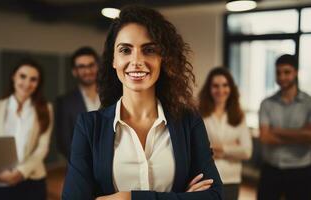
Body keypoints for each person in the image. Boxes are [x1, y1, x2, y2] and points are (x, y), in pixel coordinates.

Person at [62, 5, 222, 200]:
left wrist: (128, 198)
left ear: (163, 59)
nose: (136, 60)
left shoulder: (189, 121)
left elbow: (214, 196)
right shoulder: (89, 126)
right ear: (114, 60)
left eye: (149, 50)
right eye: (125, 50)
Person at [0, 59, 53, 200]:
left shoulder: (46, 109)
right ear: (13, 77)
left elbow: (43, 148)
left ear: (38, 84)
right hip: (0, 179)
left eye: (33, 79)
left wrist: (20, 172)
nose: (27, 83)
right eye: (22, 76)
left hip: (32, 179)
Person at [258, 54, 311, 200]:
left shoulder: (309, 103)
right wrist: (300, 135)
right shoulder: (266, 103)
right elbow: (265, 137)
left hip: (300, 170)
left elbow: (310, 137)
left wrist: (277, 131)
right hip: (271, 169)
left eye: (287, 72)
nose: (282, 77)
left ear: (295, 73)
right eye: (278, 72)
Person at [199, 67, 252, 200]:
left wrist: (221, 149)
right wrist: (233, 147)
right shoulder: (199, 114)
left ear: (231, 88)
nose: (220, 90)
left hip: (231, 179)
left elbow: (246, 151)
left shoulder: (239, 115)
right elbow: (197, 149)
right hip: (206, 179)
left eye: (225, 85)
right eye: (215, 86)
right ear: (209, 89)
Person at [55, 47, 100, 159]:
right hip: (82, 167)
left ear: (97, 66)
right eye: (81, 67)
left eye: (91, 65)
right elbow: (64, 143)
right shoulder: (64, 102)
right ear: (74, 72)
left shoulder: (113, 97)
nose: (88, 71)